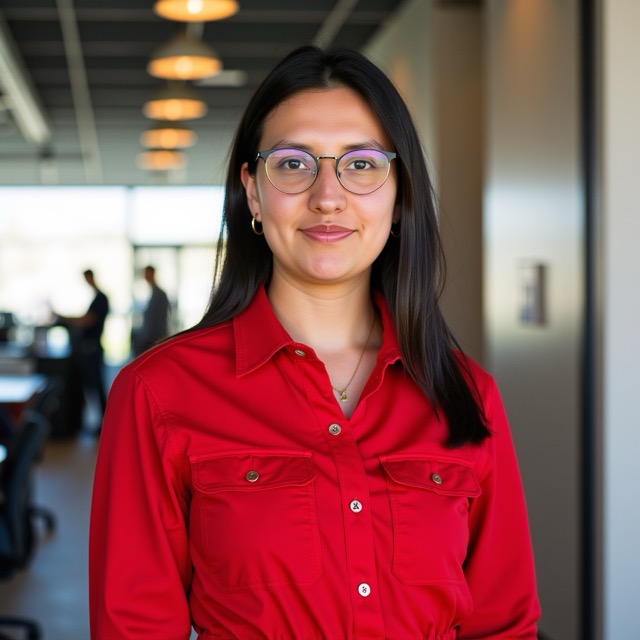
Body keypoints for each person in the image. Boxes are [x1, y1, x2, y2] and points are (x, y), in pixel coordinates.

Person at [89, 46, 540, 638]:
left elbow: (503, 624)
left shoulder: (467, 393)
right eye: (294, 163)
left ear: (400, 193)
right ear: (253, 192)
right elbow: (134, 627)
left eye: (361, 165)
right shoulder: (157, 394)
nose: (328, 196)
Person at [55, 269, 109, 430]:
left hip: (92, 348)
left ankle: (104, 423)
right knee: (91, 385)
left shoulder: (101, 298)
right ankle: (100, 421)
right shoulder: (97, 298)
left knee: (95, 385)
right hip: (90, 348)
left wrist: (65, 317)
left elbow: (88, 320)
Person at [131, 265, 171, 356]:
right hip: (151, 337)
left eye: (147, 274)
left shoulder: (160, 294)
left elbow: (160, 319)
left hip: (154, 338)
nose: (145, 277)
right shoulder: (153, 293)